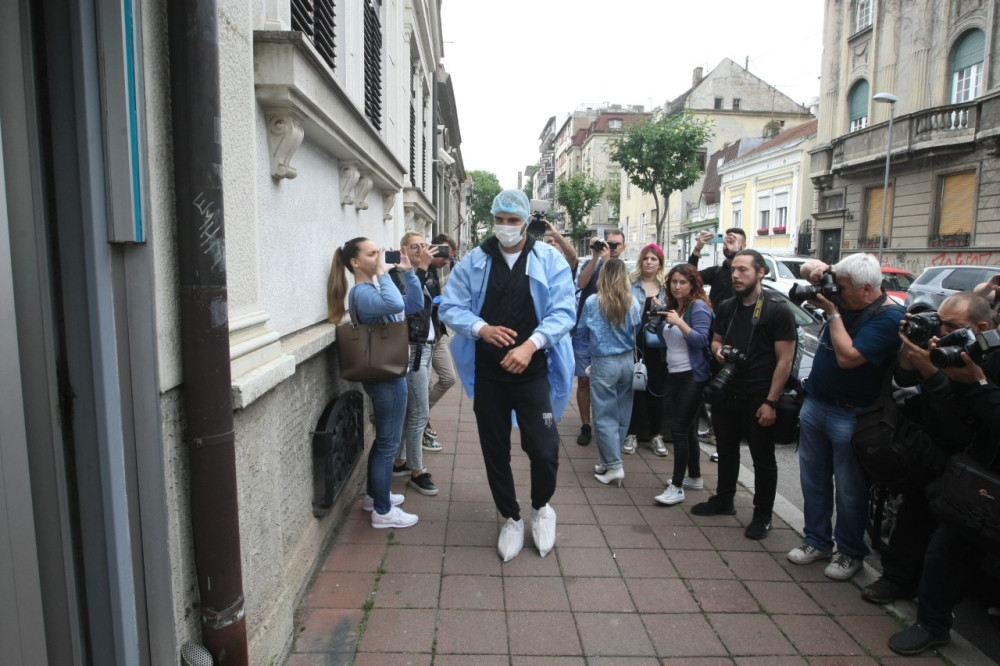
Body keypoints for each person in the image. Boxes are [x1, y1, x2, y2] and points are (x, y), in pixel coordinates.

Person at [439, 189, 575, 562]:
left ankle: (542, 506)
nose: (505, 227)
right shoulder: (474, 261)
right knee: (494, 449)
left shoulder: (549, 259)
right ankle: (511, 516)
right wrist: (481, 328)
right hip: (489, 376)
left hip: (534, 374)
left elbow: (565, 311)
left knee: (544, 449)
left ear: (526, 221)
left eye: (513, 221)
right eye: (499, 219)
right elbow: (450, 306)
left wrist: (531, 345)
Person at [861, 291, 993, 605]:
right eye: (940, 323)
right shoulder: (941, 343)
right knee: (913, 515)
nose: (942, 332)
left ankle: (944, 602)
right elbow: (905, 376)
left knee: (954, 539)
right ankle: (897, 579)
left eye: (952, 326)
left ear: (982, 326)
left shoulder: (991, 355)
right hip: (932, 446)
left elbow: (970, 409)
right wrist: (910, 346)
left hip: (972, 459)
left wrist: (934, 372)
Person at [787, 253, 905, 578]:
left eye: (841, 287)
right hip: (817, 404)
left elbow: (849, 358)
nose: (835, 292)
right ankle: (817, 540)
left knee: (850, 490)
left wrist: (833, 313)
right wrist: (822, 271)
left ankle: (850, 552)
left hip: (852, 414)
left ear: (867, 288)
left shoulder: (889, 317)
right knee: (813, 481)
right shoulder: (846, 298)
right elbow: (806, 267)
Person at [887, 344, 1000, 656]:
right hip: (978, 479)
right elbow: (964, 416)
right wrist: (942, 372)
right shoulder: (990, 353)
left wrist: (979, 384)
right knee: (945, 552)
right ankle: (932, 625)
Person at [691, 249, 797, 541]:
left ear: (760, 272)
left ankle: (763, 515)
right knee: (726, 449)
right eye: (734, 270)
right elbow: (715, 341)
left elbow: (785, 360)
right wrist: (719, 352)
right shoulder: (726, 306)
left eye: (743, 270)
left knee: (763, 459)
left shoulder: (777, 310)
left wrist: (771, 402)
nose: (735, 275)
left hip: (759, 395)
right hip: (728, 390)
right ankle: (724, 500)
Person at [327, 237, 423, 528]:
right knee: (387, 443)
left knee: (385, 441)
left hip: (389, 375)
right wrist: (383, 272)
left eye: (379, 252)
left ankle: (374, 496)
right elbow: (394, 302)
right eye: (372, 254)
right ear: (355, 263)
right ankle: (382, 511)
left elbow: (413, 304)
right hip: (386, 378)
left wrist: (407, 272)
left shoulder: (371, 290)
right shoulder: (363, 293)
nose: (379, 256)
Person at [575, 258, 642, 486]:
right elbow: (636, 330)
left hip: (603, 361)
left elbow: (582, 332)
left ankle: (614, 466)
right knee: (623, 414)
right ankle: (609, 461)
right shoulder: (633, 302)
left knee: (604, 416)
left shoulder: (594, 302)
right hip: (627, 362)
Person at [653, 264, 713, 506]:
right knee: (687, 429)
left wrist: (678, 322)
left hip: (693, 376)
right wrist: (660, 318)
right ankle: (694, 477)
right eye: (673, 282)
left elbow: (701, 340)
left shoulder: (698, 307)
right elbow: (664, 340)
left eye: (682, 282)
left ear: (693, 284)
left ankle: (677, 486)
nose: (677, 286)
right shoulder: (676, 306)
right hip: (675, 373)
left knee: (678, 430)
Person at [388, 232, 441, 496]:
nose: (421, 249)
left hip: (426, 345)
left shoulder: (426, 272)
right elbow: (408, 306)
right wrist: (419, 269)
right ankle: (417, 470)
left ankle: (400, 462)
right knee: (420, 411)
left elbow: (433, 306)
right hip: (411, 347)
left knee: (413, 410)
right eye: (415, 246)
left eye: (423, 245)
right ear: (403, 250)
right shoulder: (398, 275)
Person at [573, 230, 627, 447]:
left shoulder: (625, 270)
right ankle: (586, 425)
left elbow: (619, 291)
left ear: (623, 247)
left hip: (611, 336)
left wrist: (607, 262)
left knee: (609, 383)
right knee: (584, 380)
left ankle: (608, 426)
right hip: (585, 331)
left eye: (616, 244)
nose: (611, 248)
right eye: (608, 243)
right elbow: (582, 285)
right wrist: (596, 258)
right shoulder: (592, 261)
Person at [623, 243, 669, 456]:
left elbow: (674, 314)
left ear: (660, 263)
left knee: (656, 390)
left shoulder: (666, 287)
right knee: (634, 388)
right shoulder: (631, 283)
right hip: (634, 343)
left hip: (658, 346)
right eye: (646, 258)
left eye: (654, 259)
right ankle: (631, 433)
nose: (649, 262)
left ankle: (655, 435)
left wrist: (661, 310)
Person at [423, 232, 459, 450]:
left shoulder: (435, 271)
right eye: (444, 254)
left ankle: (420, 417)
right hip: (420, 339)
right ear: (432, 248)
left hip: (437, 333)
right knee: (422, 386)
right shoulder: (419, 269)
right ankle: (421, 424)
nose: (446, 260)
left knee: (448, 378)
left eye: (450, 257)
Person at [690, 227, 747, 310]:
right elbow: (690, 277)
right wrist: (697, 249)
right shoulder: (716, 271)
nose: (728, 245)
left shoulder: (748, 271)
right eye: (726, 242)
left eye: (732, 241)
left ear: (743, 246)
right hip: (716, 321)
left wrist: (736, 253)